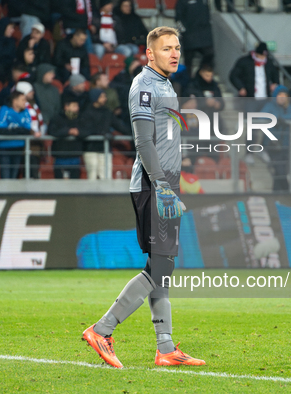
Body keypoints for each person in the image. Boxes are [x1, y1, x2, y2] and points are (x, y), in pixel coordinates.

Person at [83, 26, 205, 368]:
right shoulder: (145, 86)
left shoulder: (165, 85)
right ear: (149, 53)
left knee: (161, 268)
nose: (175, 53)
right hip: (155, 186)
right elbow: (144, 143)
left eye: (177, 47)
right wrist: (163, 186)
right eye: (167, 48)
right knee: (161, 266)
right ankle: (102, 329)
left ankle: (165, 348)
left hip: (165, 184)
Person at [79, 88, 129, 180]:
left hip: (105, 149)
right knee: (92, 176)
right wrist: (103, 133)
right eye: (102, 96)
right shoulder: (86, 113)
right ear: (95, 98)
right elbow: (85, 130)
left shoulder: (107, 112)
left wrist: (134, 133)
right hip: (90, 149)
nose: (105, 98)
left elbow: (120, 126)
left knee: (106, 176)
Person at [261, 85, 291, 191]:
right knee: (280, 171)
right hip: (273, 145)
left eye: (285, 95)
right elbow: (261, 117)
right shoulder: (269, 106)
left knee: (280, 173)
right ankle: (287, 191)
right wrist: (275, 118)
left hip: (286, 145)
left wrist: (282, 118)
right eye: (280, 95)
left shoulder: (288, 108)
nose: (282, 97)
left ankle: (277, 195)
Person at [229, 42, 278, 109]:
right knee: (250, 117)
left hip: (265, 98)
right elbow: (233, 76)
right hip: (250, 98)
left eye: (264, 56)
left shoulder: (269, 63)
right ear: (256, 53)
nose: (262, 58)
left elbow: (275, 74)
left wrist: (275, 83)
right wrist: (240, 87)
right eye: (260, 56)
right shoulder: (244, 61)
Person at [0, 90, 31, 179]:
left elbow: (27, 129)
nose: (25, 102)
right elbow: (1, 129)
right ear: (15, 101)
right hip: (4, 147)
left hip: (18, 147)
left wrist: (12, 130)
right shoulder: (5, 109)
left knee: (14, 175)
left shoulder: (26, 112)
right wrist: (19, 130)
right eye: (23, 100)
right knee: (5, 176)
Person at [48, 97, 85, 179]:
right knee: (59, 186)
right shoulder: (56, 118)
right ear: (66, 107)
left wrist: (79, 132)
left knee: (75, 186)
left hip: (75, 158)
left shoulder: (81, 118)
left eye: (77, 106)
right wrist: (68, 131)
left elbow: (87, 130)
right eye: (74, 106)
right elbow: (52, 131)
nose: (77, 108)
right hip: (60, 158)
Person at [175, 0, 214, 78]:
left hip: (204, 35)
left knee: (209, 54)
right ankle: (188, 82)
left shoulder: (203, 1)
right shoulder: (182, 2)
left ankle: (199, 76)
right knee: (188, 61)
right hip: (189, 36)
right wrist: (184, 32)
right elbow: (178, 19)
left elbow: (207, 15)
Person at [15, 81, 45, 178]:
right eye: (29, 91)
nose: (32, 93)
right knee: (29, 172)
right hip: (27, 145)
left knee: (34, 172)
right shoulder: (21, 108)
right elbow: (22, 123)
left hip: (36, 144)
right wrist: (32, 133)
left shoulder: (34, 105)